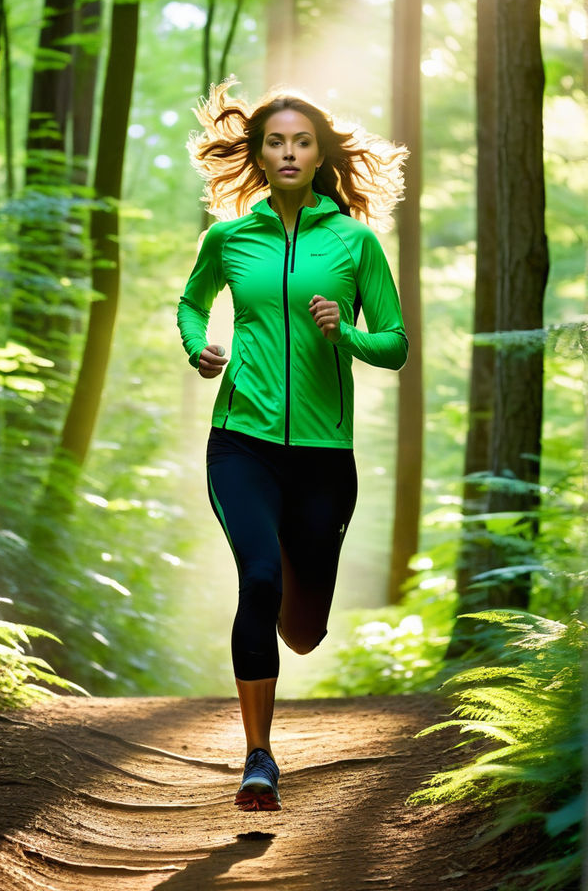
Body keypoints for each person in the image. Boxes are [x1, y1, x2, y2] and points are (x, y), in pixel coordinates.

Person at [177, 80, 409, 811]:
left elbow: (397, 344)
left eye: (301, 141)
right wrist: (199, 348)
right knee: (259, 578)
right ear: (258, 152)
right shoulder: (228, 238)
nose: (287, 151)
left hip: (323, 457)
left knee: (302, 630)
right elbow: (191, 302)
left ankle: (294, 613)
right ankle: (258, 757)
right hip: (239, 440)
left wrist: (349, 332)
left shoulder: (354, 242)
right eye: (275, 140)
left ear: (319, 155)